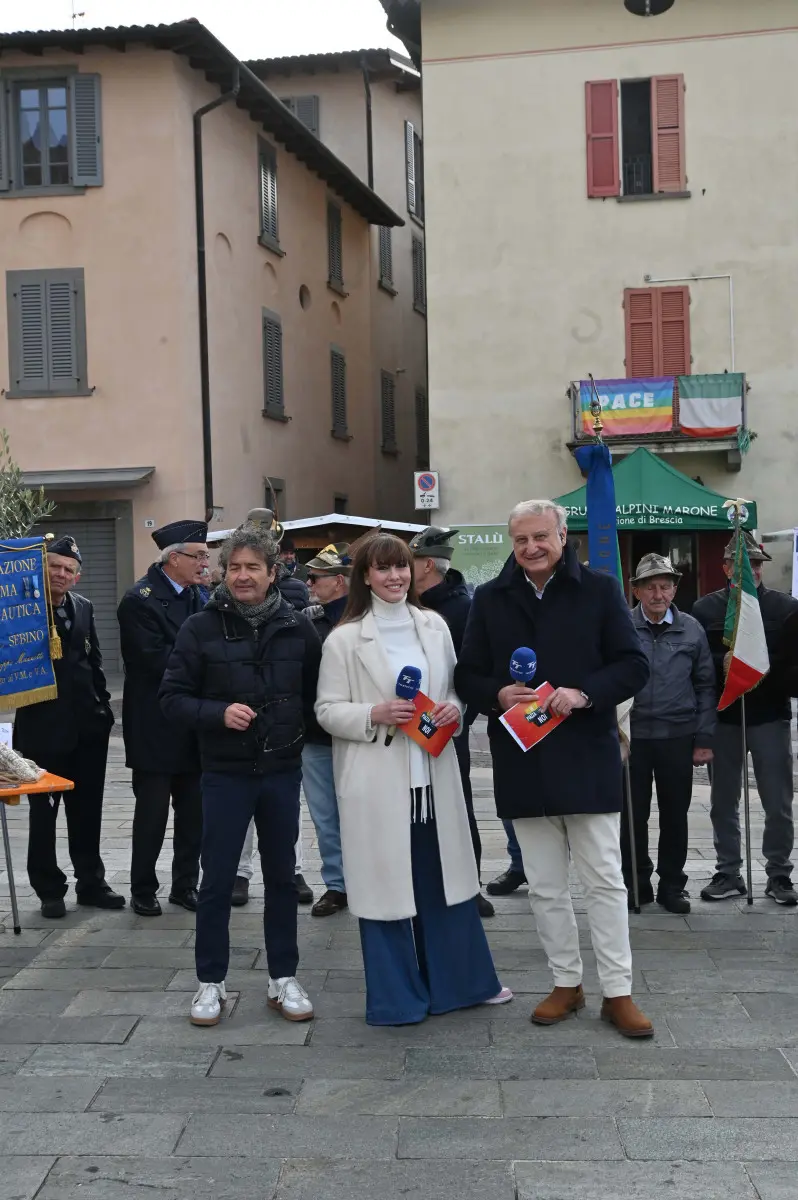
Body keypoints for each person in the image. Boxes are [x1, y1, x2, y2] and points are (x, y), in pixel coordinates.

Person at [456, 500, 653, 1037]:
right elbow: (467, 674)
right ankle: (566, 983)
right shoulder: (491, 599)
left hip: (586, 754)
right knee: (544, 886)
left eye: (541, 537)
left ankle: (618, 991)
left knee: (604, 883)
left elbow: (634, 665)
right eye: (520, 540)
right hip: (523, 760)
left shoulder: (600, 590)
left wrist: (584, 693)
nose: (531, 549)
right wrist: (496, 692)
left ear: (563, 536)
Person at [316, 533, 511, 1026]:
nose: (395, 577)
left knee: (444, 881)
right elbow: (325, 711)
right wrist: (373, 712)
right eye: (383, 569)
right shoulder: (344, 638)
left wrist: (455, 707)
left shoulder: (434, 626)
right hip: (378, 782)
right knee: (386, 889)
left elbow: (453, 691)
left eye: (401, 567)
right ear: (364, 576)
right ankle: (397, 998)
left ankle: (463, 985)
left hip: (434, 773)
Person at [160, 523, 321, 1026]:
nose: (243, 575)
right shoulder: (199, 627)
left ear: (274, 573)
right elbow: (171, 698)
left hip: (280, 770)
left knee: (280, 878)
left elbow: (318, 702)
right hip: (225, 773)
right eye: (234, 568)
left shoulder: (299, 628)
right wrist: (217, 713)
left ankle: (283, 977)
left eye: (254, 567)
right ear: (222, 574)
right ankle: (210, 983)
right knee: (217, 882)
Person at [15, 534, 123, 918]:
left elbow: (93, 662)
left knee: (87, 812)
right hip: (41, 733)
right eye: (54, 566)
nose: (60, 574)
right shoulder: (19, 611)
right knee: (43, 816)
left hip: (87, 733)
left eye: (68, 569)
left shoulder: (85, 607)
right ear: (41, 569)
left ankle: (91, 883)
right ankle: (48, 889)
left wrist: (103, 709)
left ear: (78, 576)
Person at [693, 531, 798, 905]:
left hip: (770, 716)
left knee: (778, 801)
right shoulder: (704, 610)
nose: (750, 571)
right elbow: (699, 672)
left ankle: (779, 873)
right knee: (723, 800)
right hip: (724, 720)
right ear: (726, 568)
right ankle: (728, 871)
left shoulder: (786, 609)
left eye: (755, 564)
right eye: (742, 564)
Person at [117, 520, 208, 917]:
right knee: (152, 814)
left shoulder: (200, 596)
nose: (205, 563)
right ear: (174, 559)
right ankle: (143, 888)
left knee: (194, 813)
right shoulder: (139, 600)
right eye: (199, 556)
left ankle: (185, 885)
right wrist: (208, 662)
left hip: (193, 724)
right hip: (155, 725)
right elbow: (156, 660)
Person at [622, 553, 716, 915]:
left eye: (664, 586)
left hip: (678, 735)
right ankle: (637, 883)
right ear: (637, 590)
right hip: (634, 737)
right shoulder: (622, 627)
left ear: (675, 589)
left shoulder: (691, 629)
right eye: (650, 586)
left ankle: (672, 886)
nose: (658, 594)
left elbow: (706, 685)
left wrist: (704, 739)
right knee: (632, 815)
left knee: (675, 814)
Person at [409, 525, 494, 918]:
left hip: (447, 723)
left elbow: (471, 669)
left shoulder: (461, 608)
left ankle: (470, 885)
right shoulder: (407, 603)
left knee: (458, 807)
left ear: (427, 565)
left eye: (409, 563)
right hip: (405, 722)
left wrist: (458, 714)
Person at [231, 510, 312, 906]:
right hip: (235, 730)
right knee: (240, 811)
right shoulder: (216, 611)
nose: (244, 575)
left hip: (283, 729)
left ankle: (293, 871)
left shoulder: (294, 595)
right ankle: (239, 873)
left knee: (286, 811)